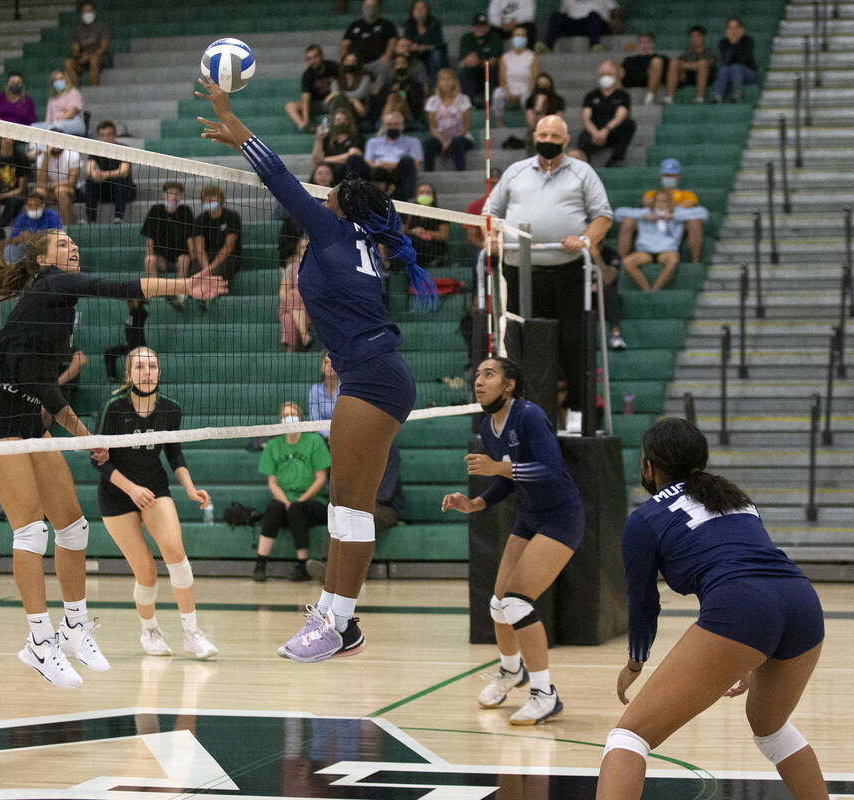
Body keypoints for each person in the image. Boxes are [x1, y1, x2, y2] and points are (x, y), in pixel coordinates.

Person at [198, 75, 438, 663]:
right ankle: (335, 618)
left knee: (351, 508)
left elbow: (280, 178)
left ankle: (340, 622)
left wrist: (236, 128)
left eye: (328, 192)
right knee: (344, 507)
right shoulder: (360, 240)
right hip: (373, 372)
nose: (320, 192)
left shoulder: (332, 228)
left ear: (340, 206)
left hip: (373, 377)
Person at [0, 229, 225, 687]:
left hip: (31, 417)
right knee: (31, 531)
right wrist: (183, 284)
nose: (72, 246)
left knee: (73, 527)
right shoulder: (52, 283)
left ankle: (73, 626)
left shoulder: (57, 311)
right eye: (61, 242)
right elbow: (114, 287)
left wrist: (86, 436)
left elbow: (48, 391)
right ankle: (38, 641)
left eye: (74, 241)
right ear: (41, 259)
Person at [597, 417, 827, 798]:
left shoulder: (645, 518)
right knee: (771, 729)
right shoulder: (737, 498)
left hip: (743, 609)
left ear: (648, 465)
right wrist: (752, 653)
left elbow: (642, 605)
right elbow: (755, 563)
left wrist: (635, 662)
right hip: (802, 602)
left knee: (629, 737)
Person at [441, 357, 584, 724]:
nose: (479, 381)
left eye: (489, 374)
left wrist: (496, 467)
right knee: (498, 605)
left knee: (518, 604)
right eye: (476, 376)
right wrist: (476, 503)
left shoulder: (530, 415)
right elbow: (507, 479)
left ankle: (545, 693)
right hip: (530, 516)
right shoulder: (488, 425)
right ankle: (511, 671)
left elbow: (551, 469)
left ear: (509, 385)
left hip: (561, 517)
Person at [94, 347, 217, 659]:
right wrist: (132, 489)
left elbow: (174, 453)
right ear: (129, 374)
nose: (146, 372)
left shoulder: (170, 410)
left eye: (152, 366)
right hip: (117, 494)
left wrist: (190, 489)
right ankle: (149, 630)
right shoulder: (114, 407)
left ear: (159, 371)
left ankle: (192, 633)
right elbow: (99, 461)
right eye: (139, 367)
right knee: (146, 573)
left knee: (175, 552)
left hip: (155, 489)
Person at [488, 114, 612, 412]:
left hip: (567, 270)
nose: (548, 142)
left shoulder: (583, 173)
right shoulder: (516, 172)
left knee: (572, 343)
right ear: (535, 137)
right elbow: (489, 211)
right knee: (518, 342)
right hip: (519, 270)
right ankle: (516, 409)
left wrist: (583, 240)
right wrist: (493, 238)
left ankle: (576, 410)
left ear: (566, 141)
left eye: (555, 137)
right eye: (543, 136)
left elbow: (603, 216)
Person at [254, 401, 331, 583]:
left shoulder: (314, 441)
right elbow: (272, 483)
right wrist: (287, 503)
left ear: (301, 419)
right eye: (285, 415)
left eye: (293, 414)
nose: (290, 418)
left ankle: (302, 565)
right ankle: (260, 563)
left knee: (297, 509)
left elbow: (321, 479)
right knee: (274, 508)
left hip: (314, 503)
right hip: (285, 501)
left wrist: (299, 502)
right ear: (280, 421)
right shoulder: (273, 446)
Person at [614, 189, 707, 292]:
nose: (661, 204)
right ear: (654, 202)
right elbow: (618, 213)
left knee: (673, 260)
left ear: (670, 202)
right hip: (645, 251)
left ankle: (655, 289)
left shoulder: (677, 213)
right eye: (658, 201)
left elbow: (703, 212)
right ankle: (647, 289)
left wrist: (673, 216)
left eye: (664, 201)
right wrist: (643, 216)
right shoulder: (646, 212)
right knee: (627, 262)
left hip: (667, 251)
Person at [619, 158, 705, 263]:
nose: (668, 178)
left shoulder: (687, 194)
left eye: (672, 175)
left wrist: (667, 209)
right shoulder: (651, 193)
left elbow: (689, 206)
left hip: (675, 226)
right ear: (661, 176)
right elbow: (647, 202)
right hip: (653, 225)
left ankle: (695, 262)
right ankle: (621, 261)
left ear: (678, 177)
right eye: (666, 175)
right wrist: (671, 205)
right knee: (628, 221)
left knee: (694, 222)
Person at [141, 181, 194, 308]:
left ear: (181, 196)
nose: (174, 196)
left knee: (184, 259)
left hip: (180, 258)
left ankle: (180, 294)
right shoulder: (156, 210)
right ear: (164, 195)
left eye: (178, 193)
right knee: (149, 260)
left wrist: (193, 256)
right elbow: (150, 238)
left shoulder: (185, 211)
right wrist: (149, 255)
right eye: (171, 193)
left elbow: (190, 237)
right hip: (162, 260)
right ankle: (155, 290)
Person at [353, 111, 423, 201]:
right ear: (384, 126)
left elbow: (415, 165)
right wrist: (378, 166)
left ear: (402, 125)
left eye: (396, 124)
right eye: (389, 124)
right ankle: (353, 195)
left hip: (398, 173)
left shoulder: (413, 142)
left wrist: (389, 165)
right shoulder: (373, 142)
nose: (393, 127)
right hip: (376, 172)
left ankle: (407, 198)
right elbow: (368, 161)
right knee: (354, 159)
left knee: (407, 161)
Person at [578, 60, 635, 167]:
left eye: (609, 74)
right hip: (594, 132)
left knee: (629, 124)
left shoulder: (622, 95)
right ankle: (585, 166)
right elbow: (586, 118)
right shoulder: (591, 95)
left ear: (615, 76)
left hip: (612, 131)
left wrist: (606, 130)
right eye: (603, 74)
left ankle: (615, 159)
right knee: (583, 137)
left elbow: (621, 116)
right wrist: (596, 133)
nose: (605, 77)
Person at [0, 70, 37, 161]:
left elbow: (32, 122)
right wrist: (4, 126)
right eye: (13, 82)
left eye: (18, 82)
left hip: (19, 132)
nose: (15, 84)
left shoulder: (28, 102)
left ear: (22, 85)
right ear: (7, 84)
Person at [84, 120, 135, 224]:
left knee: (121, 179)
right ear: (98, 137)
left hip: (125, 190)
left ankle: (118, 218)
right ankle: (91, 221)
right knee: (90, 181)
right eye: (102, 135)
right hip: (105, 191)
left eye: (108, 135)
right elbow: (89, 169)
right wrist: (94, 174)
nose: (105, 138)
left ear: (114, 136)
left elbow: (124, 171)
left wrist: (104, 174)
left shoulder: (124, 149)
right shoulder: (95, 150)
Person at [189, 185, 242, 284]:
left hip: (228, 257)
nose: (209, 200)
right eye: (206, 198)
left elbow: (228, 247)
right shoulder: (200, 219)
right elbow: (199, 248)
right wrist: (206, 268)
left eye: (213, 197)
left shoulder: (232, 217)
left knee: (218, 271)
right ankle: (190, 296)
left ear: (220, 199)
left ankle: (211, 296)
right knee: (195, 270)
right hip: (207, 257)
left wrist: (211, 268)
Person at [423, 68, 473, 172]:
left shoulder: (464, 99)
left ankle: (461, 173)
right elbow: (433, 127)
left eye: (449, 79)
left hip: (461, 137)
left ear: (454, 81)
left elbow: (466, 127)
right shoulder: (433, 101)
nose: (445, 82)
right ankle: (429, 174)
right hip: (441, 137)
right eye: (442, 79)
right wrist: (443, 141)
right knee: (429, 143)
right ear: (438, 82)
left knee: (456, 142)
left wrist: (449, 141)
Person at [286, 44, 341, 133]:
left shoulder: (333, 67)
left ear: (321, 56)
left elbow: (344, 86)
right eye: (309, 59)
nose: (312, 61)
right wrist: (306, 121)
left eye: (315, 57)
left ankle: (337, 128)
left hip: (334, 101)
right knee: (290, 106)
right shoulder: (307, 74)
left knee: (341, 101)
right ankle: (304, 127)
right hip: (316, 104)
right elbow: (306, 97)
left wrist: (333, 94)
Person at [0, 137, 33, 229]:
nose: (9, 140)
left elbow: (21, 189)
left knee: (14, 200)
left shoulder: (21, 158)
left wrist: (2, 196)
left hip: (17, 195)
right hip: (0, 195)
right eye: (5, 138)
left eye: (11, 138)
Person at [458, 13, 504, 108]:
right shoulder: (466, 38)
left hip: (488, 72)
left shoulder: (495, 38)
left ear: (488, 26)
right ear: (473, 27)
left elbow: (494, 60)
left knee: (490, 68)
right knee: (464, 71)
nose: (480, 28)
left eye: (483, 25)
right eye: (477, 26)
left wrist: (479, 61)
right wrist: (473, 61)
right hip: (472, 71)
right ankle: (469, 103)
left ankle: (490, 102)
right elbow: (465, 60)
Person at [5, 193, 64, 264]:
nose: (33, 208)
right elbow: (10, 241)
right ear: (26, 206)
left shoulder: (52, 215)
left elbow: (59, 236)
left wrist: (35, 238)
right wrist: (20, 237)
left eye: (36, 205)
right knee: (9, 249)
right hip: (26, 249)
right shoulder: (21, 218)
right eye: (30, 205)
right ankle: (14, 272)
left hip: (46, 248)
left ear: (43, 205)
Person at [492, 27, 538, 119]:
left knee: (527, 98)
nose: (519, 38)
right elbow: (502, 79)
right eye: (517, 35)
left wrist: (520, 94)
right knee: (497, 93)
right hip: (509, 90)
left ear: (526, 39)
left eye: (522, 35)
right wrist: (509, 93)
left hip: (525, 90)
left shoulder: (532, 56)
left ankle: (529, 125)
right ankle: (499, 124)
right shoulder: (505, 57)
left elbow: (534, 80)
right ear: (512, 38)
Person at [542, 0, 621, 52]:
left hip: (596, 24)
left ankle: (595, 46)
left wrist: (617, 24)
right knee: (556, 16)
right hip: (575, 25)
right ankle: (548, 46)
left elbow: (615, 9)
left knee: (592, 15)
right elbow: (563, 12)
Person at [340, 0, 398, 71]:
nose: (370, 9)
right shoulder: (354, 25)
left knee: (387, 66)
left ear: (378, 8)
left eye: (373, 6)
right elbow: (344, 43)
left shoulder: (387, 25)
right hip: (356, 63)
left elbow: (392, 41)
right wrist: (344, 58)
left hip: (378, 63)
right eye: (368, 6)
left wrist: (387, 55)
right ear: (363, 8)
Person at [311, 109, 364, 184]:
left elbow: (352, 155)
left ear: (350, 121)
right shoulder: (327, 138)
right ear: (333, 122)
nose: (341, 122)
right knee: (321, 170)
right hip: (329, 172)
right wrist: (319, 139)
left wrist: (325, 159)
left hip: (348, 171)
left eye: (344, 119)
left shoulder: (356, 137)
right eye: (338, 119)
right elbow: (316, 160)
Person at [279, 235, 313, 352]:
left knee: (289, 317)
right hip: (290, 305)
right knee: (288, 317)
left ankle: (291, 350)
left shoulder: (319, 268)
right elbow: (282, 292)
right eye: (303, 247)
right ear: (299, 250)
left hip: (310, 308)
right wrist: (293, 298)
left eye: (308, 248)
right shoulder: (292, 268)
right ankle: (304, 336)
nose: (305, 251)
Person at [63, 1, 109, 87]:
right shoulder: (77, 30)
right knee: (68, 63)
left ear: (94, 13)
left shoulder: (102, 27)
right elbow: (75, 50)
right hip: (83, 58)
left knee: (94, 60)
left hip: (98, 58)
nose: (87, 14)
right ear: (81, 13)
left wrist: (90, 56)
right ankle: (74, 92)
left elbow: (104, 47)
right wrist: (80, 56)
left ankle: (93, 89)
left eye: (89, 11)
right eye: (85, 11)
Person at [35, 143, 82, 226]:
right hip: (50, 192)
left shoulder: (72, 155)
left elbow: (71, 182)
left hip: (70, 191)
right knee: (38, 192)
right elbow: (39, 183)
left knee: (60, 191)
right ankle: (38, 230)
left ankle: (69, 228)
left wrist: (52, 185)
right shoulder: (41, 157)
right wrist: (46, 158)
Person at [712, 17, 757, 104]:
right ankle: (717, 96)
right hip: (730, 72)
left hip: (748, 74)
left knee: (735, 67)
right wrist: (732, 44)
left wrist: (736, 43)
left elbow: (743, 60)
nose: (733, 31)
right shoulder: (723, 42)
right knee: (724, 69)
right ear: (727, 30)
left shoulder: (748, 40)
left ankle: (737, 94)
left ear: (741, 29)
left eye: (736, 28)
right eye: (731, 28)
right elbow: (725, 61)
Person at [666, 25, 715, 104]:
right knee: (674, 63)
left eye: (697, 36)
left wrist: (684, 65)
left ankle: (700, 98)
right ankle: (669, 97)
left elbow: (707, 64)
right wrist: (695, 66)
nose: (694, 39)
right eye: (692, 37)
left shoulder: (709, 53)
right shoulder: (686, 54)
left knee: (703, 64)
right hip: (687, 77)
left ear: (703, 37)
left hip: (705, 78)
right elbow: (677, 63)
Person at [401, 1, 446, 86]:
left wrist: (423, 47)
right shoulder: (409, 25)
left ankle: (434, 87)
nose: (420, 11)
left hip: (431, 54)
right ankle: (407, 87)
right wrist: (412, 46)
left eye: (422, 8)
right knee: (404, 56)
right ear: (412, 11)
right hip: (415, 54)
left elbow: (438, 43)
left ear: (427, 11)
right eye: (417, 8)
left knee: (437, 55)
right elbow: (405, 42)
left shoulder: (435, 23)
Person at [103, 299, 148, 383]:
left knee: (134, 360)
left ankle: (134, 379)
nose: (128, 304)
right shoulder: (131, 314)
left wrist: (137, 302)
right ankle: (112, 377)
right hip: (130, 346)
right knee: (109, 353)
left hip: (139, 346)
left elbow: (142, 311)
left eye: (130, 302)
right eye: (128, 302)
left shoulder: (140, 313)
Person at [404, 183, 448, 266]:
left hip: (433, 247)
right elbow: (405, 230)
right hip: (414, 246)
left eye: (428, 193)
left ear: (433, 196)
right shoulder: (410, 213)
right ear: (417, 195)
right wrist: (413, 231)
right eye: (421, 192)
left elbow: (444, 235)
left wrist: (425, 232)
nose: (424, 195)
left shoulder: (441, 214)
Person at [32, 69, 85, 137]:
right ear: (52, 83)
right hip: (54, 124)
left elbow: (72, 112)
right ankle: (35, 148)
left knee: (55, 127)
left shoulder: (73, 92)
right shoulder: (52, 98)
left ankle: (46, 147)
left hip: (73, 123)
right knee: (34, 127)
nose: (58, 81)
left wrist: (57, 121)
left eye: (61, 79)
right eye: (56, 80)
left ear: (66, 80)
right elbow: (48, 119)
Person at [620, 32, 668, 105]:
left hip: (653, 82)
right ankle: (618, 98)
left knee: (657, 61)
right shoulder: (629, 59)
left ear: (653, 44)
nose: (645, 45)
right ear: (638, 44)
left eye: (648, 42)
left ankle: (649, 97)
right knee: (610, 66)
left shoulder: (661, 58)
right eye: (642, 42)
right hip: (632, 81)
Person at [330, 52, 375, 123]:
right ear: (343, 63)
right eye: (348, 61)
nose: (351, 64)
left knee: (340, 99)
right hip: (342, 107)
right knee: (339, 100)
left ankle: (339, 125)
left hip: (360, 109)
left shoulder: (366, 79)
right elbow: (336, 96)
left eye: (354, 61)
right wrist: (354, 101)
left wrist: (339, 94)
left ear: (358, 64)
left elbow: (360, 94)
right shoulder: (336, 81)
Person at [465, 167, 501, 250]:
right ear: (487, 183)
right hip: (483, 248)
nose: (495, 187)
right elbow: (472, 237)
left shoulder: (509, 206)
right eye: (492, 183)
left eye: (498, 184)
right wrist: (488, 249)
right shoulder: (474, 206)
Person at [308, 350, 340, 440]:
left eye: (333, 362)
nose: (329, 366)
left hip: (344, 434)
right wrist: (328, 435)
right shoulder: (315, 390)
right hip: (323, 438)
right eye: (326, 362)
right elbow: (315, 419)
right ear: (322, 367)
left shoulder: (346, 389)